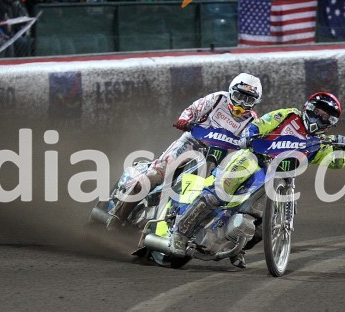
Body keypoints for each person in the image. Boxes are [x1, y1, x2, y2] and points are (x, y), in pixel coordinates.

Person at [169, 92, 345, 267]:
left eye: (325, 116)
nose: (319, 118)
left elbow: (337, 163)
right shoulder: (288, 115)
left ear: (330, 123)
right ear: (308, 108)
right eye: (318, 112)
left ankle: (237, 247)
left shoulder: (321, 143)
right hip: (254, 159)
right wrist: (250, 134)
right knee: (221, 191)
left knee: (267, 223)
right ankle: (180, 233)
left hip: (280, 179)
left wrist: (340, 148)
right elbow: (261, 124)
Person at [107, 74, 264, 226]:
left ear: (255, 103)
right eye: (239, 96)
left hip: (220, 156)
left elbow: (251, 140)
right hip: (192, 143)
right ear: (231, 92)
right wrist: (185, 120)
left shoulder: (252, 120)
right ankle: (116, 218)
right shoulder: (217, 99)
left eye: (248, 100)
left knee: (217, 190)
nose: (242, 103)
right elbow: (193, 109)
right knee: (156, 174)